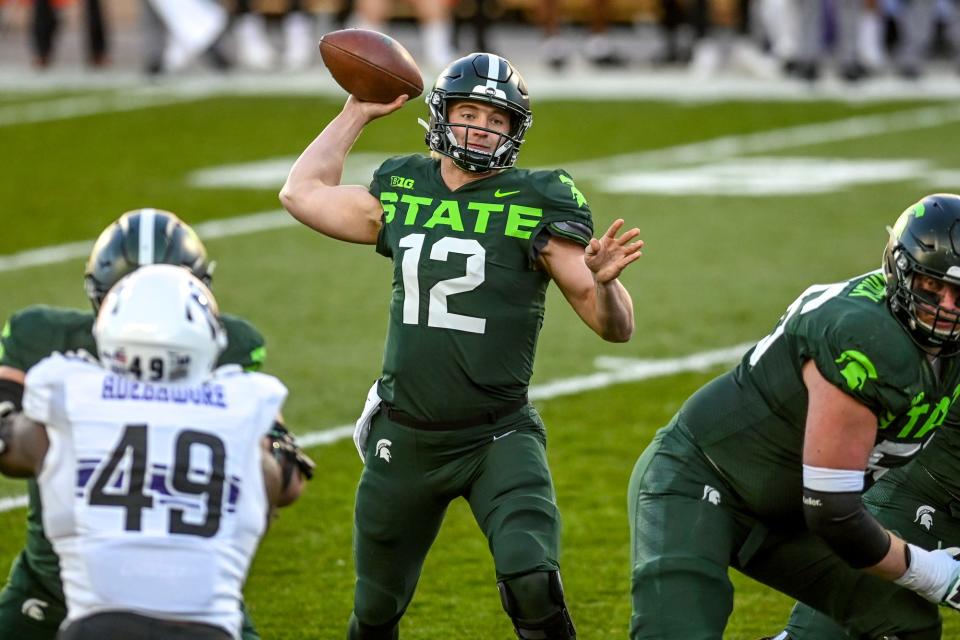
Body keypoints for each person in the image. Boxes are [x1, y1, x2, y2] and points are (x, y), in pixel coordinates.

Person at [280, 52, 643, 638]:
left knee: (532, 580)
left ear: (514, 131)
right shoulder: (403, 185)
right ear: (442, 114)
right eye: (469, 111)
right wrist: (356, 110)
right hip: (406, 433)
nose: (480, 127)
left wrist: (607, 284)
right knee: (374, 611)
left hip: (497, 434)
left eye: (496, 119)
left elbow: (616, 328)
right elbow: (301, 192)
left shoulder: (539, 199)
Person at [629, 193, 960, 639]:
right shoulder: (866, 338)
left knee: (902, 625)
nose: (946, 307)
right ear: (900, 273)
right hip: (702, 481)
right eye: (931, 287)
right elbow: (833, 511)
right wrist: (931, 571)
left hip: (790, 510)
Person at [0, 208, 313, 640]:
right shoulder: (241, 395)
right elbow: (288, 481)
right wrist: (271, 450)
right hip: (200, 615)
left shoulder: (68, 382)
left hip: (95, 610)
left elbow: (16, 444)